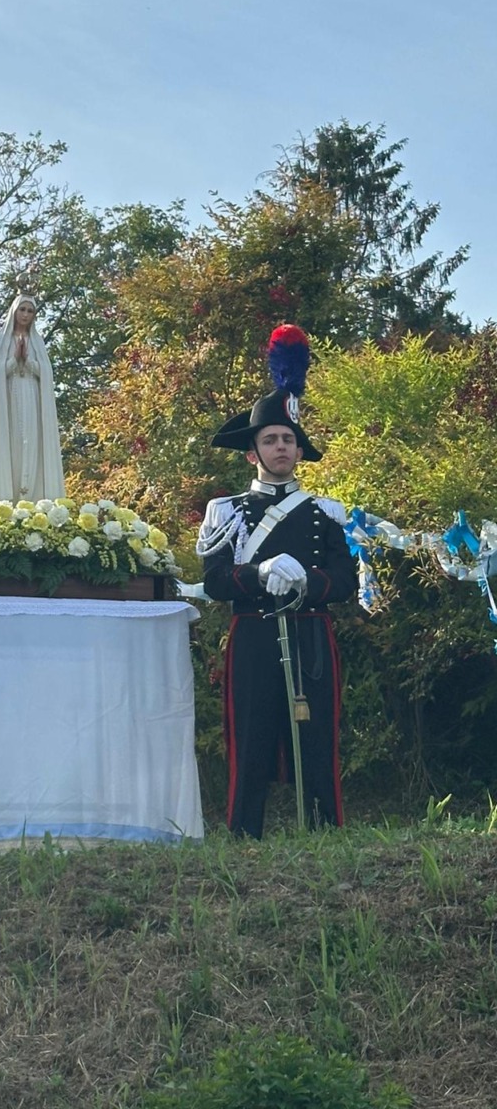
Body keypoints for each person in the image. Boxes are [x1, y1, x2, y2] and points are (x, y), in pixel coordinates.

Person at [196, 326, 356, 839]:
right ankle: (244, 834)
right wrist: (258, 573)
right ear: (252, 452)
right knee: (251, 734)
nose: (282, 447)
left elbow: (346, 580)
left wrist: (308, 581)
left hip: (311, 633)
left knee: (318, 738)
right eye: (271, 440)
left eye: (289, 440)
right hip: (253, 635)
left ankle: (327, 832)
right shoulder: (228, 512)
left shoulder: (325, 513)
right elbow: (217, 581)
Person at [0, 293, 65, 503]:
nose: (25, 315)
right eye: (22, 309)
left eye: (30, 311)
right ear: (14, 311)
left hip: (32, 397)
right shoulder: (1, 340)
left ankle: (34, 497)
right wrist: (14, 360)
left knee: (32, 444)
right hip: (8, 400)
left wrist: (27, 360)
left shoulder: (37, 343)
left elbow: (45, 373)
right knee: (14, 446)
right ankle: (9, 500)